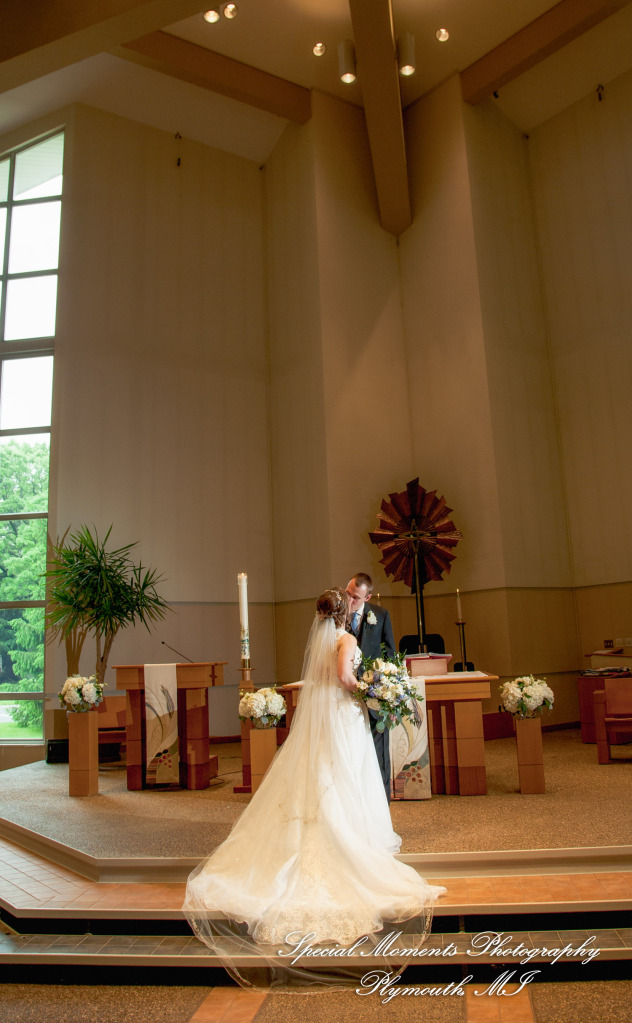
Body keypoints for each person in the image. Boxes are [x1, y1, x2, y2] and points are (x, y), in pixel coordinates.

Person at [183, 587, 445, 985]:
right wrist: (371, 690)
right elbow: (344, 677)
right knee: (345, 775)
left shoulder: (321, 640)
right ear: (343, 613)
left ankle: (318, 826)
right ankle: (347, 837)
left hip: (325, 715)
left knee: (321, 774)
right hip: (342, 716)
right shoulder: (346, 639)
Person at [346, 573, 395, 800]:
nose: (350, 601)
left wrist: (387, 686)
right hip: (345, 691)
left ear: (368, 597)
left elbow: (389, 653)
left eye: (355, 597)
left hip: (374, 690)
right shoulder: (337, 616)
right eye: (347, 594)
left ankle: (381, 800)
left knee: (378, 748)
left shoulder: (381, 615)